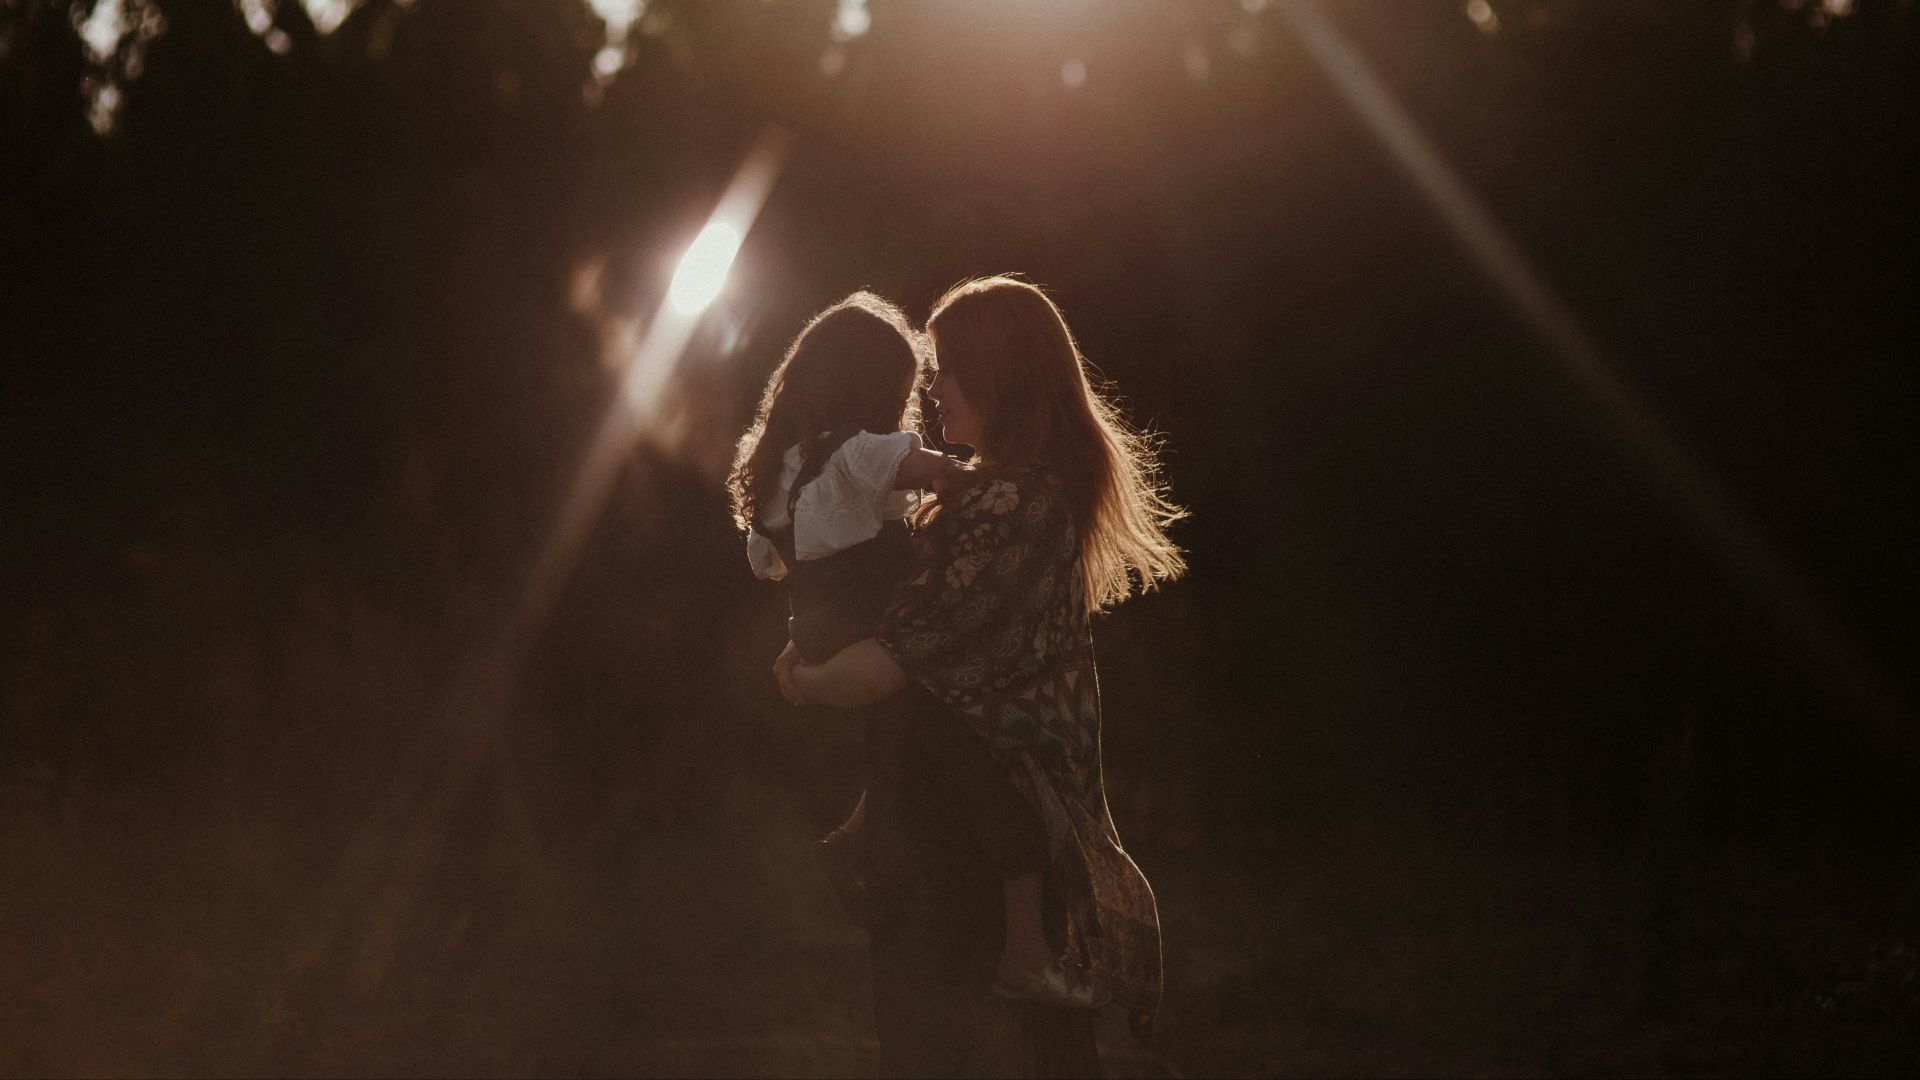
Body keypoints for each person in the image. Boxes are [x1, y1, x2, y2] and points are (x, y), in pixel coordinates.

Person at [774, 276, 1186, 1076]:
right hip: (944, 849)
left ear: (1004, 377)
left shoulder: (1011, 507)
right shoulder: (995, 499)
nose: (935, 394)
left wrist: (804, 678)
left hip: (961, 865)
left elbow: (891, 665)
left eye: (951, 371)